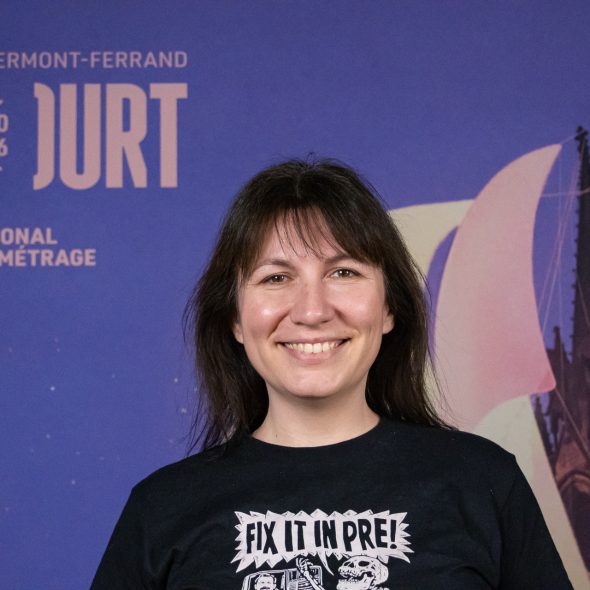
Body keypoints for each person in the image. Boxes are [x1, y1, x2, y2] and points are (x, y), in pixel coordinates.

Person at [90, 158, 572, 589]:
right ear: (235, 319)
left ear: (388, 308)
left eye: (343, 272)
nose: (312, 311)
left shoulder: (483, 481)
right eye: (276, 278)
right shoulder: (162, 508)